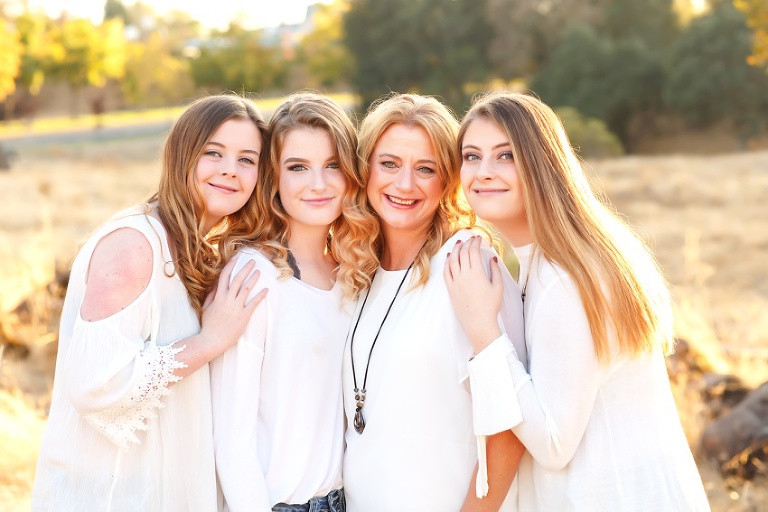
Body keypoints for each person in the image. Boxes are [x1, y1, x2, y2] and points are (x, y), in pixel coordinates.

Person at [444, 91, 710, 511]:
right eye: (471, 156)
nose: (483, 173)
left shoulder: (562, 279)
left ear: (543, 164)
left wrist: (485, 332)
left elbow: (552, 444)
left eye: (506, 156)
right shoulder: (567, 256)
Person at [31, 94, 269, 512]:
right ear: (181, 155)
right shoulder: (135, 244)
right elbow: (95, 385)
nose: (231, 170)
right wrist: (210, 341)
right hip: (109, 499)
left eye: (247, 159)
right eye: (213, 153)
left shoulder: (199, 249)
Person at [341, 93, 527, 512]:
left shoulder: (467, 262)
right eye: (389, 164)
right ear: (365, 169)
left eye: (425, 169)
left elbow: (512, 424)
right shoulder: (359, 272)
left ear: (448, 180)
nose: (404, 185)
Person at [211, 92, 369, 512]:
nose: (319, 184)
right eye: (298, 167)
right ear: (273, 178)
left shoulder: (353, 273)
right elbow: (231, 441)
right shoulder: (253, 276)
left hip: (345, 501)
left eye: (332, 165)